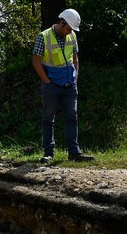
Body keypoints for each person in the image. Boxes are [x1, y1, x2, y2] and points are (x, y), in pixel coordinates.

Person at [32, 9, 93, 164]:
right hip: (51, 84)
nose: (69, 32)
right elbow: (36, 61)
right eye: (68, 28)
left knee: (72, 117)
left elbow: (75, 58)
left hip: (69, 85)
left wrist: (75, 78)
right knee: (48, 119)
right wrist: (46, 81)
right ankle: (48, 153)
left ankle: (74, 152)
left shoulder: (72, 35)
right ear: (61, 22)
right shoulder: (43, 37)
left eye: (72, 29)